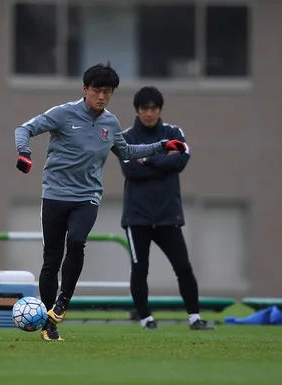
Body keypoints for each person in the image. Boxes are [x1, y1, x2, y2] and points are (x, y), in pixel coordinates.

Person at [14, 62, 187, 341]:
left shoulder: (110, 122)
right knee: (51, 260)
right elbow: (24, 128)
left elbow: (126, 151)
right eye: (97, 90)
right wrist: (24, 154)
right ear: (85, 89)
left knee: (78, 241)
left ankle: (62, 304)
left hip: (87, 197)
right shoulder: (62, 114)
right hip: (55, 195)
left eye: (107, 91)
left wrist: (161, 146)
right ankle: (49, 325)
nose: (102, 96)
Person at [118, 86, 214, 330]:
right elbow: (130, 169)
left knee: (182, 266)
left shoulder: (173, 132)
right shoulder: (127, 137)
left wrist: (148, 159)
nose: (149, 113)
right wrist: (164, 162)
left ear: (160, 110)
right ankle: (146, 319)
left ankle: (194, 317)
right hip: (137, 216)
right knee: (140, 269)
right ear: (137, 110)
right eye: (144, 109)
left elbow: (181, 160)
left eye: (153, 108)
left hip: (167, 215)